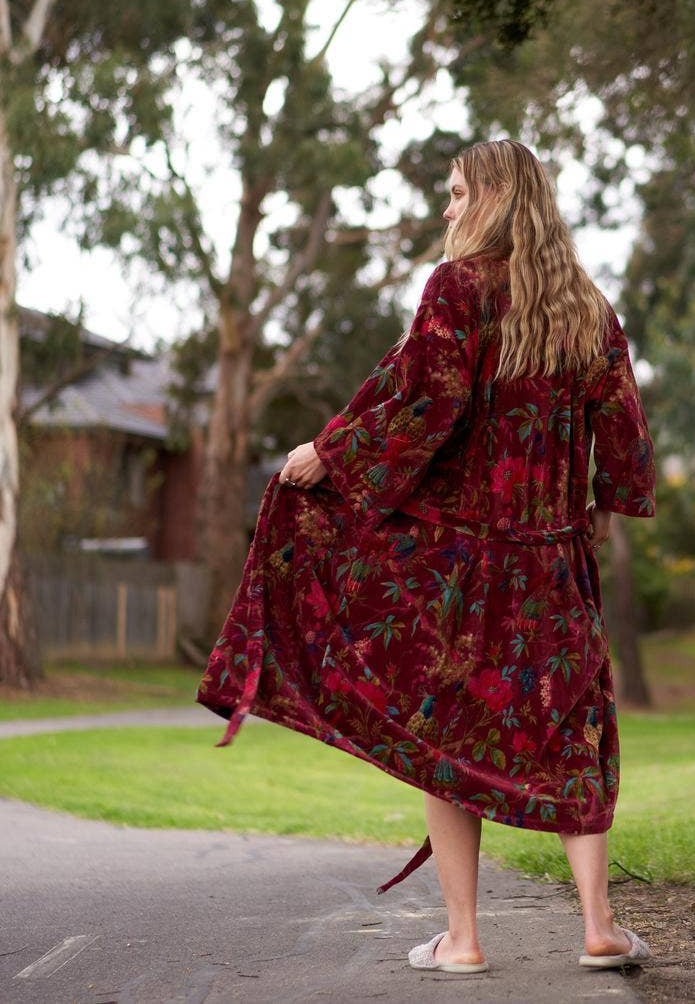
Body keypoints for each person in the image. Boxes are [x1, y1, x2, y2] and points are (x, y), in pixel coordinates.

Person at [197, 139, 656, 974]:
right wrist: (593, 514)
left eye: (454, 194)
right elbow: (624, 443)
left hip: (462, 568)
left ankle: (465, 941)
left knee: (450, 739)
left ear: (493, 201)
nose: (446, 210)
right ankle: (598, 926)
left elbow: (424, 398)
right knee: (576, 735)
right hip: (555, 567)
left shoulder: (458, 288)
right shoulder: (591, 310)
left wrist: (332, 454)